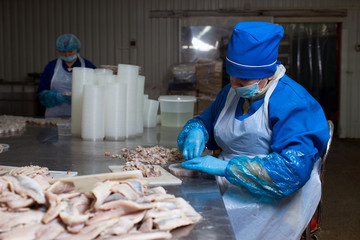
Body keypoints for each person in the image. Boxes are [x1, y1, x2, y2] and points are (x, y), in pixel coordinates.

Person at [177, 22, 330, 240]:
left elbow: (291, 172)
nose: (236, 87)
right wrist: (197, 131)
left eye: (244, 81)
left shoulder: (293, 103)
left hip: (273, 198)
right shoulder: (231, 93)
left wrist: (227, 167)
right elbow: (206, 121)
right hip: (229, 184)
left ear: (267, 74)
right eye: (233, 78)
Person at [37, 33, 96, 118]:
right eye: (63, 52)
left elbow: (97, 92)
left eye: (70, 51)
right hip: (54, 117)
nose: (67, 54)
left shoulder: (88, 66)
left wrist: (80, 98)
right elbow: (41, 92)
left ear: (77, 50)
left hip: (81, 118)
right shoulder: (51, 67)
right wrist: (52, 96)